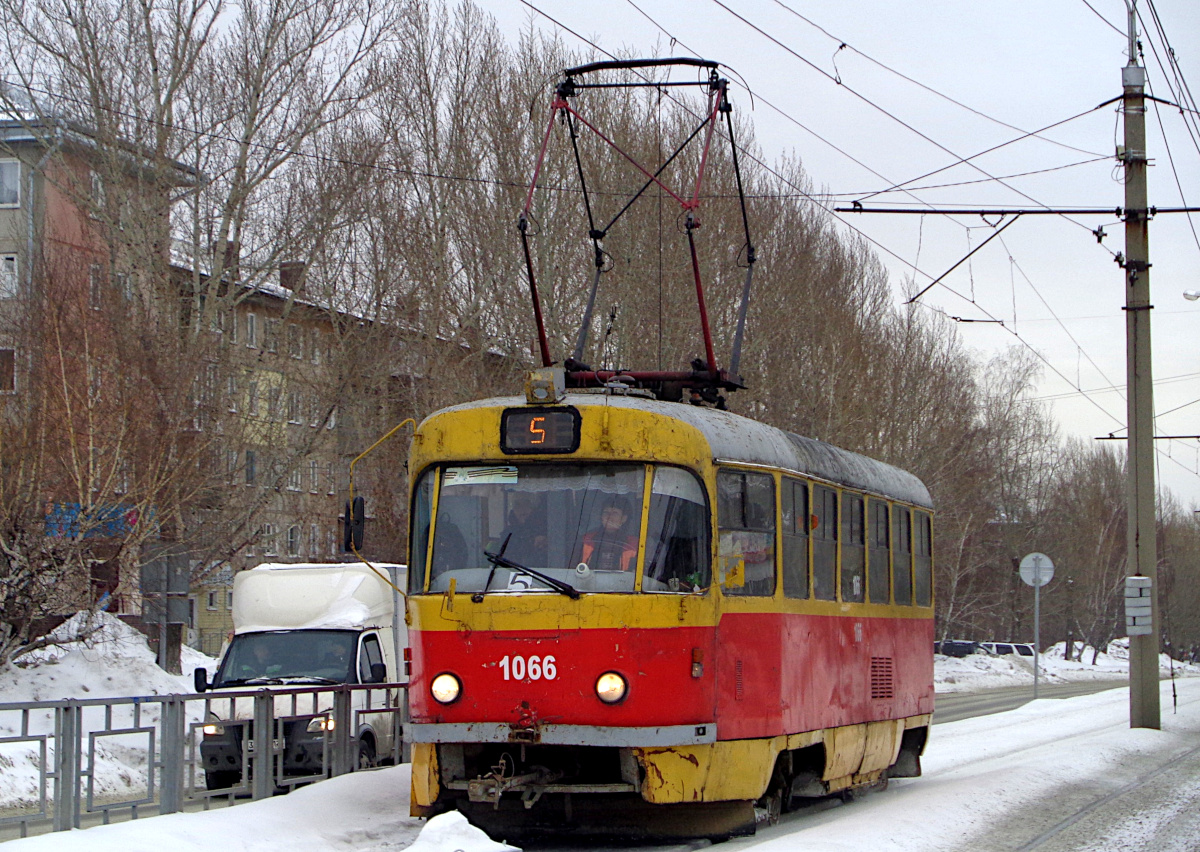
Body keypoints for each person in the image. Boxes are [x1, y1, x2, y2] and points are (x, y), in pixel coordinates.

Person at [580, 496, 639, 572]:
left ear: (624, 518)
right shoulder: (586, 540)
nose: (609, 517)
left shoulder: (634, 544)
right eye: (606, 512)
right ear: (601, 517)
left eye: (615, 513)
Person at [501, 493, 547, 566]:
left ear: (533, 507)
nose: (522, 509)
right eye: (517, 505)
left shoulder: (544, 530)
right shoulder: (507, 534)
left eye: (526, 504)